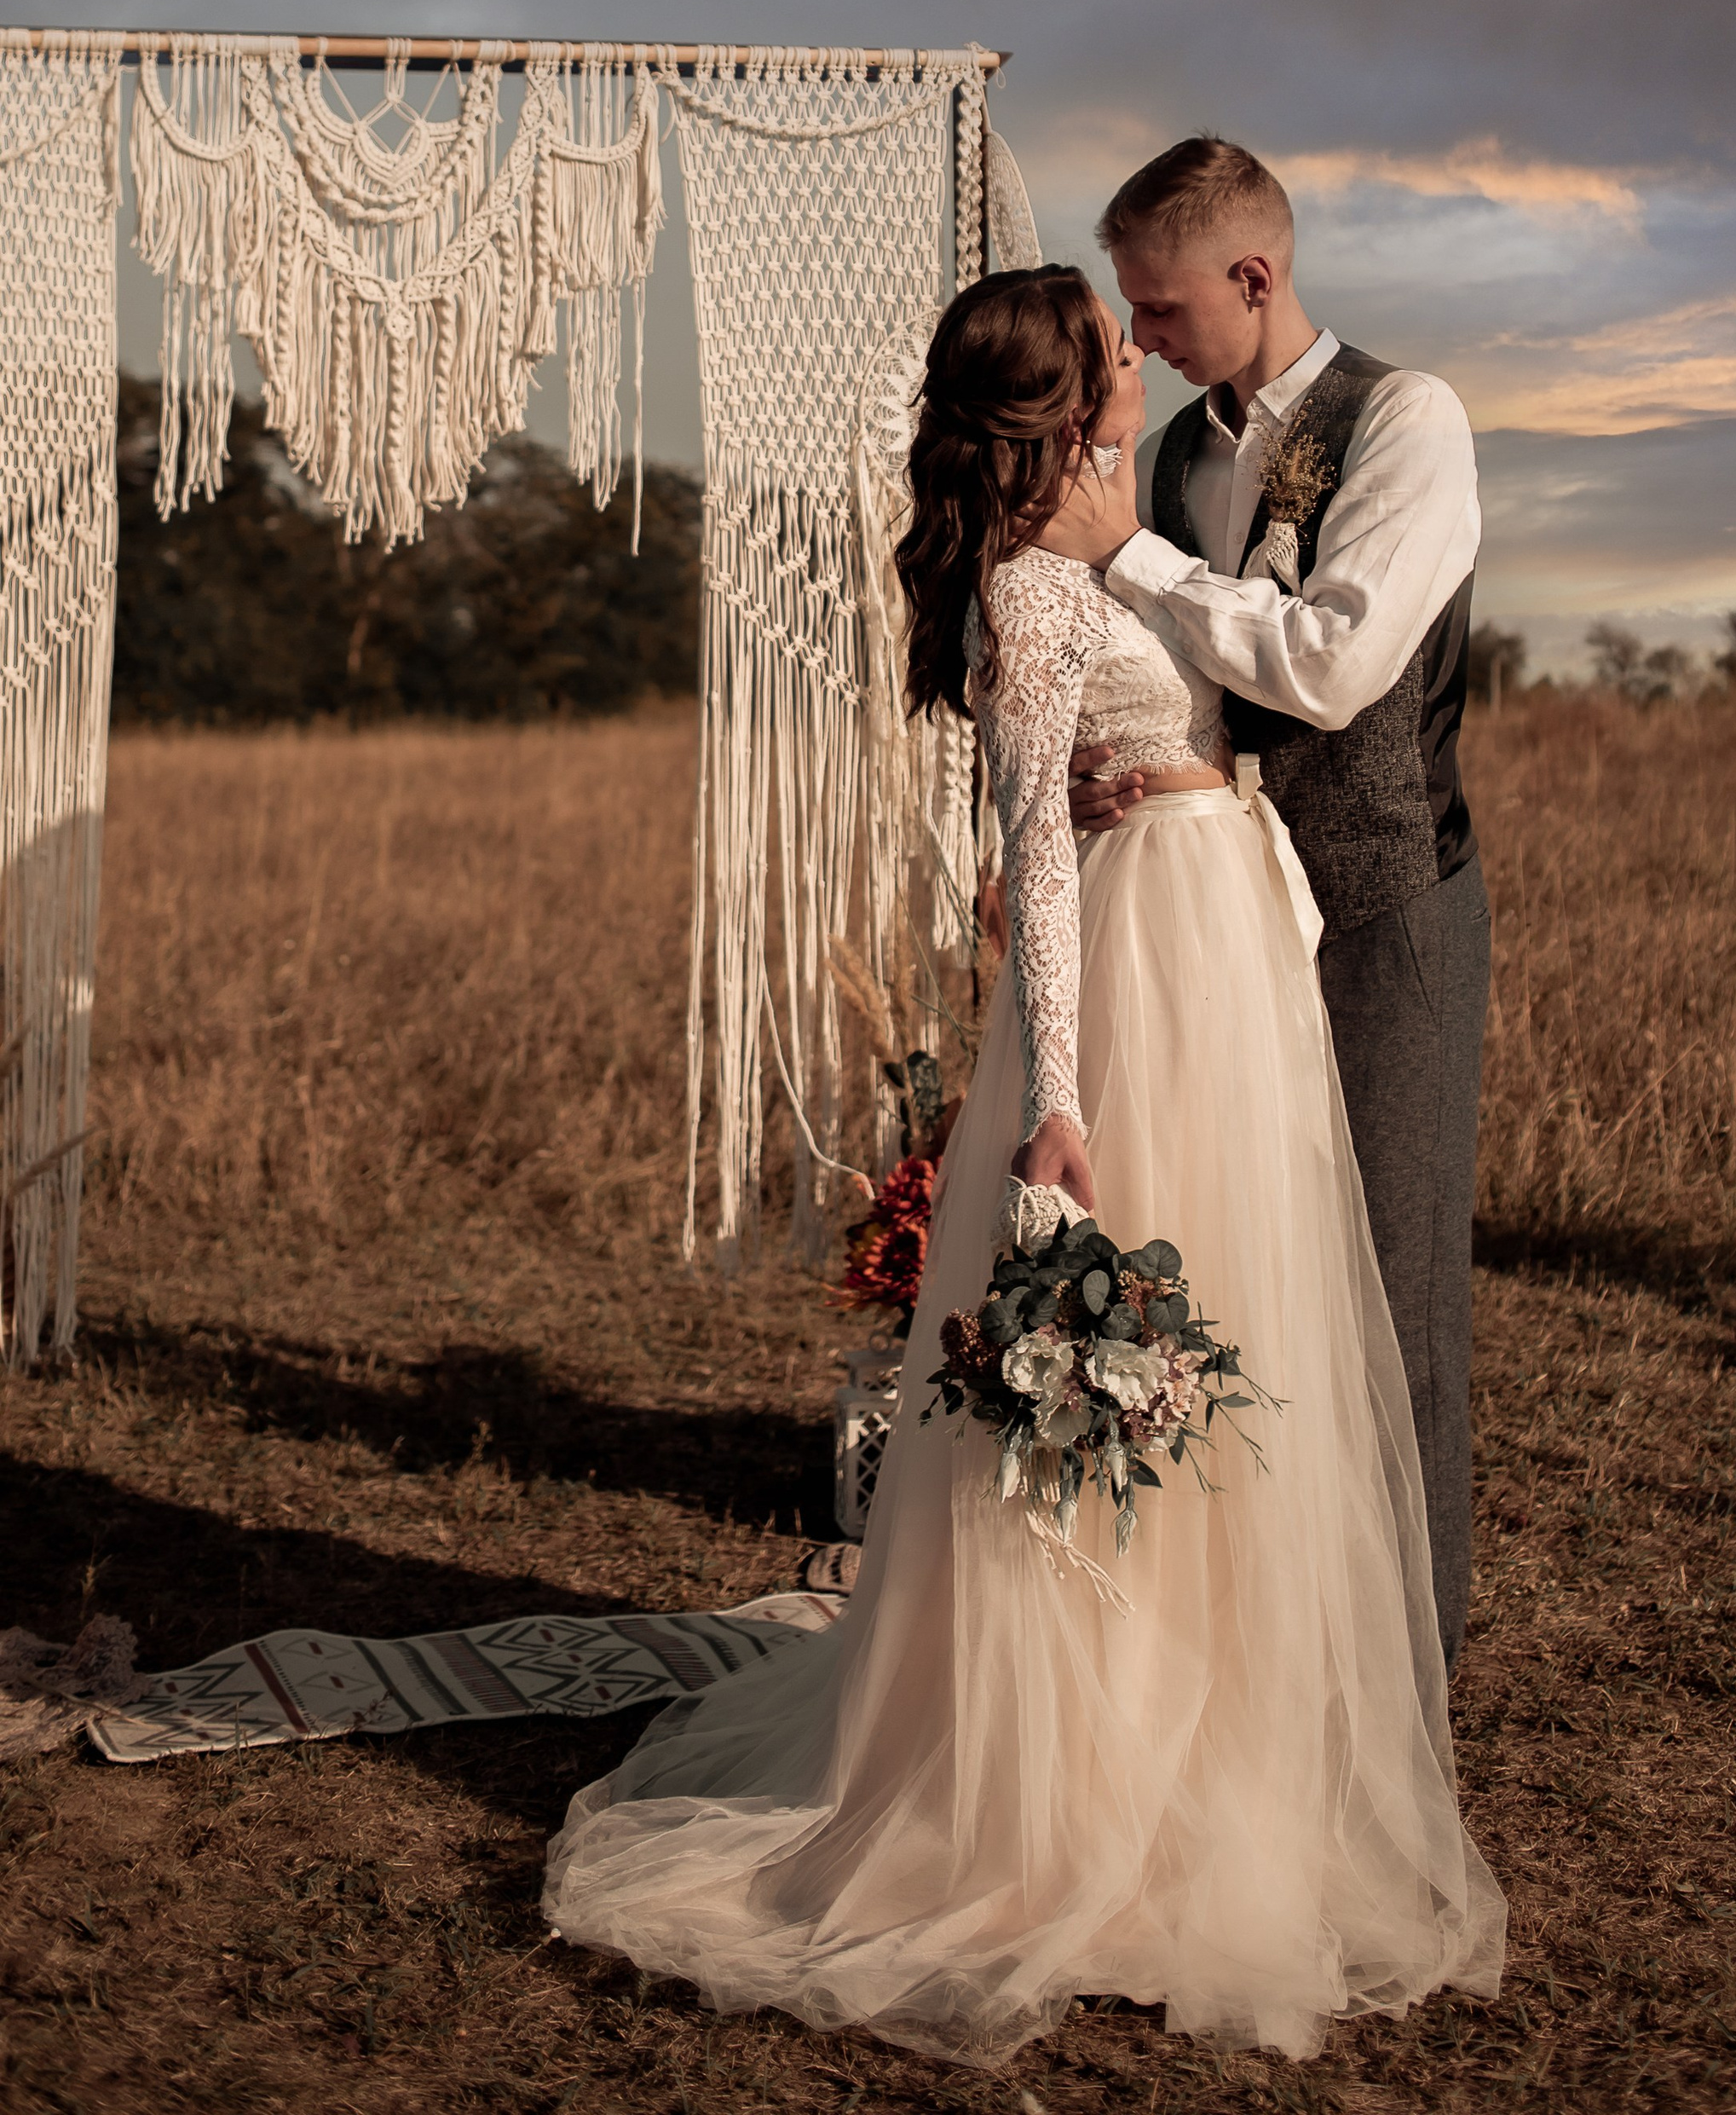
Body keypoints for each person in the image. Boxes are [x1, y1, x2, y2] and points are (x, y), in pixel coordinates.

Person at [544, 264, 1503, 2066]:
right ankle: (1086, 1782)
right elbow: (1035, 866)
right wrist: (1059, 1093)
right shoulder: (1034, 593)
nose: (1140, 351)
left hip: (1228, 951)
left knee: (1238, 1349)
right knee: (1128, 1374)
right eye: (1110, 335)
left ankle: (1228, 1739)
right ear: (1066, 396)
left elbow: (1237, 686)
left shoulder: (1128, 536)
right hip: (1143, 980)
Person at [1076, 137, 1487, 1670]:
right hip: (1223, 920)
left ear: (1255, 276)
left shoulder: (1410, 422)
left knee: (1393, 1300)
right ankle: (1264, 1665)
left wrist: (1128, 556)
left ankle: (1406, 1688)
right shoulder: (1180, 450)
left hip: (1390, 909)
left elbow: (1326, 663)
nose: (1142, 340)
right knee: (1245, 1277)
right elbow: (1194, 681)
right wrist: (1122, 771)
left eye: (1163, 307)